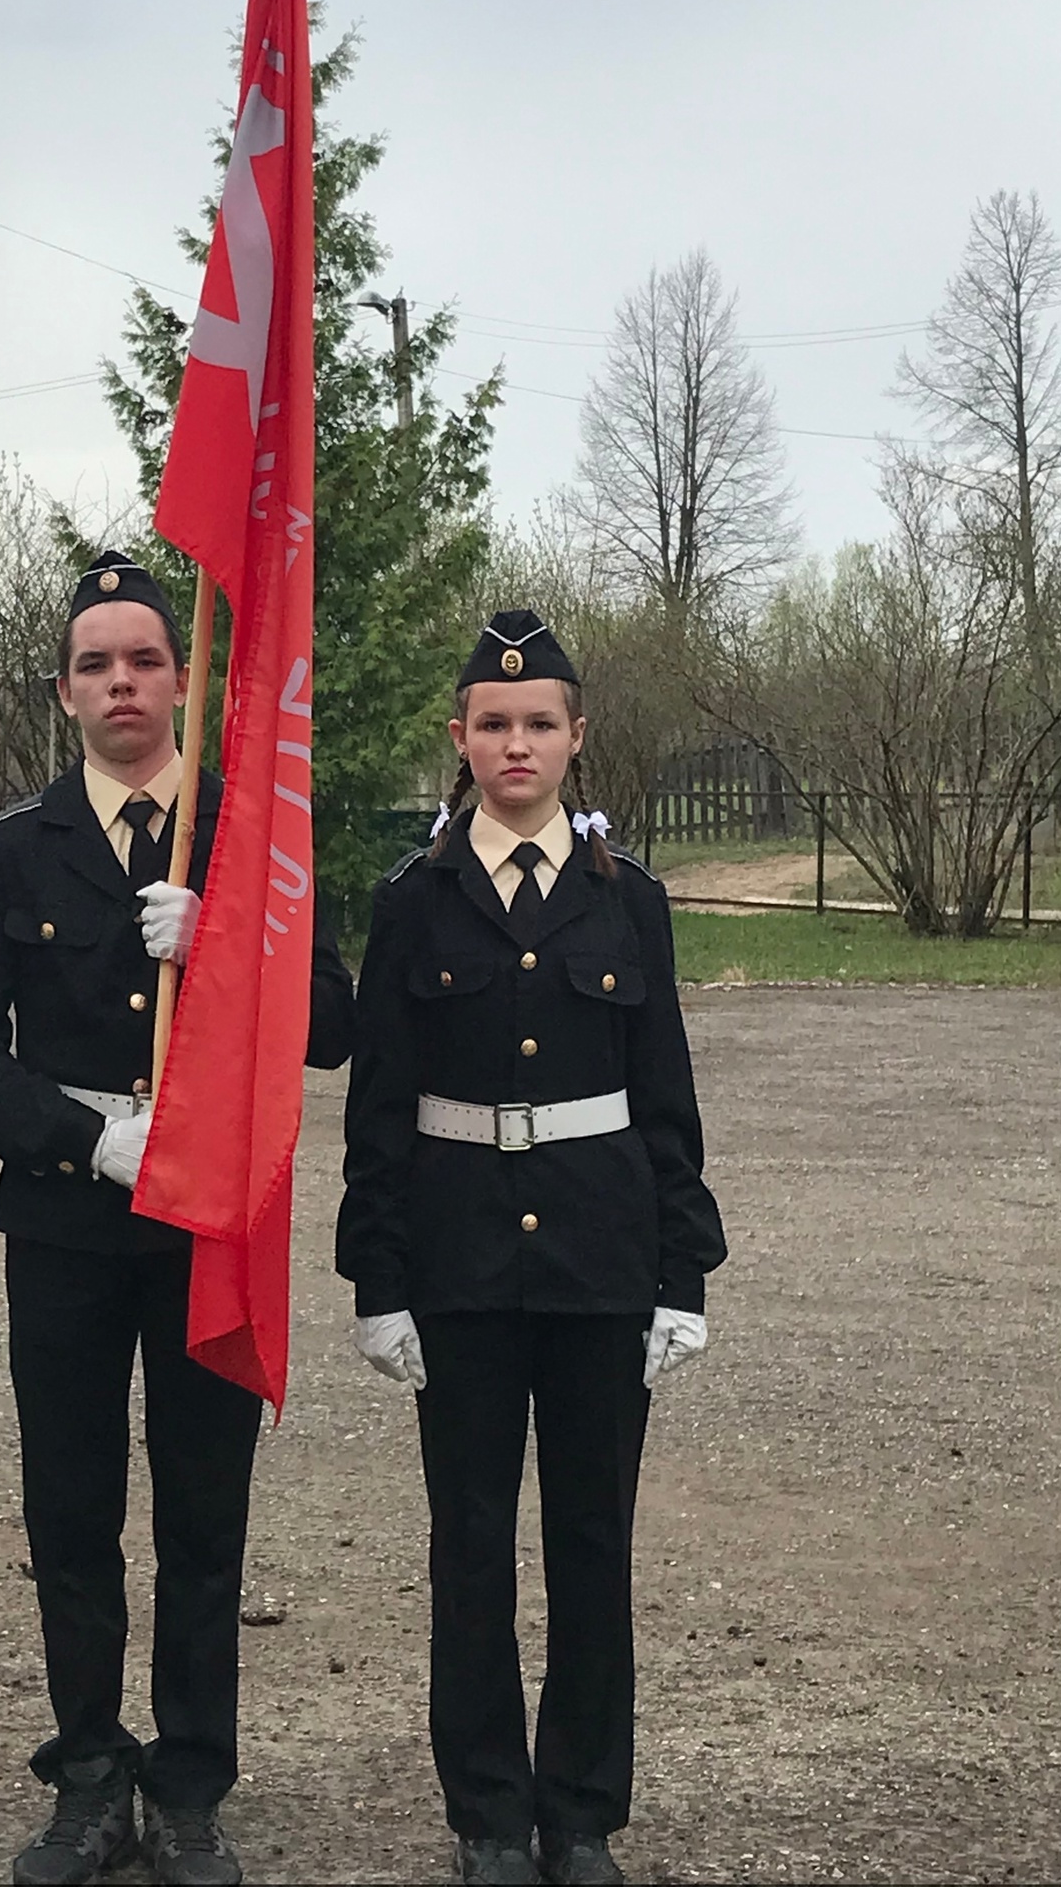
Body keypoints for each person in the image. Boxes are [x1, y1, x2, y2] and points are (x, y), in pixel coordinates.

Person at [0, 550, 354, 1887]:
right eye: (96, 664)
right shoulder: (14, 847)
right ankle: (90, 1779)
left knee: (202, 1514)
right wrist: (84, 1139)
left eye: (146, 659)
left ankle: (189, 1785)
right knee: (71, 1508)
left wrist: (231, 938)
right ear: (64, 692)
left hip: (206, 1222)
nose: (123, 682)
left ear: (183, 677)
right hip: (67, 1214)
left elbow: (333, 1027)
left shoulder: (250, 833)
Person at [336, 608, 727, 1887]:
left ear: (575, 739)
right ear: (461, 740)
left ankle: (581, 1816)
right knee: (470, 1547)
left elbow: (664, 1097)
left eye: (540, 724)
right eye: (494, 725)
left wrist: (684, 1274)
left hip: (599, 1263)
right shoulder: (414, 901)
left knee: (590, 1546)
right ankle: (490, 1818)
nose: (517, 744)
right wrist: (376, 1281)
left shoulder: (633, 905)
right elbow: (380, 1106)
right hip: (457, 1267)